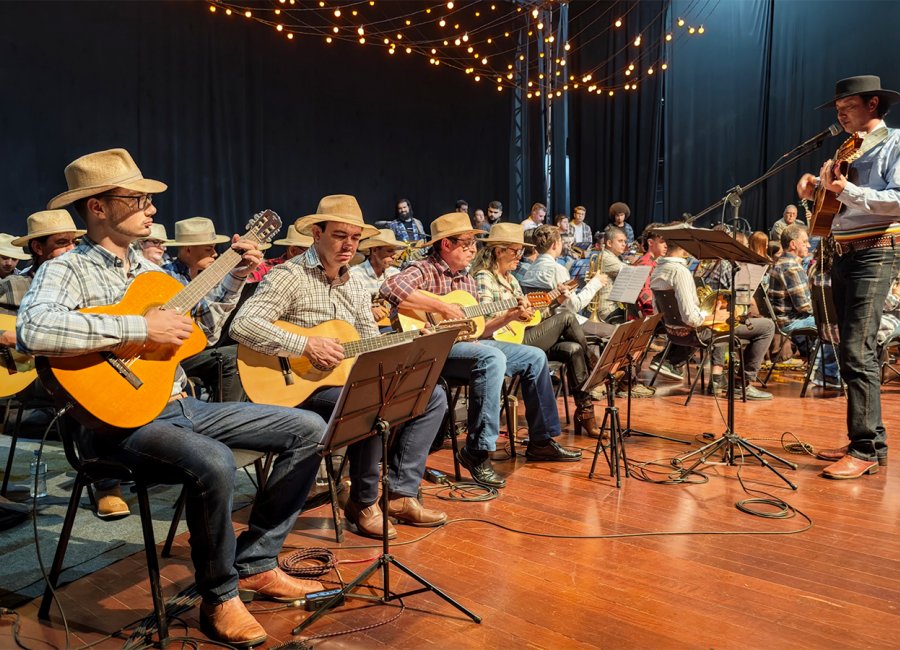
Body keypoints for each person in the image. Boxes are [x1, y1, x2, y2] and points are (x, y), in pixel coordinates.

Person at [19, 148, 325, 647]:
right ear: (97, 207)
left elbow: (200, 333)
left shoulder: (154, 271)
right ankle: (220, 595)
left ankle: (256, 562)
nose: (152, 208)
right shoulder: (67, 269)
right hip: (113, 425)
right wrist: (140, 327)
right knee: (214, 460)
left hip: (180, 404)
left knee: (309, 429)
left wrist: (232, 278)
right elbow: (34, 330)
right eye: (138, 199)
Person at [231, 195, 448, 538]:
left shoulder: (357, 285)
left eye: (355, 237)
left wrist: (408, 343)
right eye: (339, 235)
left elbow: (369, 342)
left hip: (340, 383)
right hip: (292, 389)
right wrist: (305, 345)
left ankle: (400, 494)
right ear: (317, 234)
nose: (349, 245)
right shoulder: (290, 275)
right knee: (370, 399)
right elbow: (242, 325)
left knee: (432, 394)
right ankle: (363, 502)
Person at [380, 212, 581, 488]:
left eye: (473, 244)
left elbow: (481, 330)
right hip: (430, 351)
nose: (473, 250)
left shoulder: (466, 280)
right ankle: (477, 450)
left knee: (534, 356)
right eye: (466, 244)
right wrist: (442, 307)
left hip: (463, 347)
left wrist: (510, 315)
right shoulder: (424, 269)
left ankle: (541, 440)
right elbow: (390, 287)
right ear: (446, 244)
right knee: (491, 356)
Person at [797, 75, 900, 479]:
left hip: (875, 251)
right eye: (838, 109)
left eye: (848, 107)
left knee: (857, 350)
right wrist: (815, 191)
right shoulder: (846, 149)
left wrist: (846, 191)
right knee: (848, 350)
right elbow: (834, 204)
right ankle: (870, 440)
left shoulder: (894, 143)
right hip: (842, 253)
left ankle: (864, 449)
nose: (840, 115)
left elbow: (897, 200)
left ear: (873, 104)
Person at [471, 223, 600, 437]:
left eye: (521, 251)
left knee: (573, 348)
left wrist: (554, 301)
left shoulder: (512, 280)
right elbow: (483, 324)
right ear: (498, 251)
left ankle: (585, 411)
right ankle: (594, 366)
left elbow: (531, 318)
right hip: (503, 344)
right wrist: (512, 315)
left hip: (522, 336)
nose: (520, 256)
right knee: (567, 317)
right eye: (515, 251)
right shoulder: (485, 277)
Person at [649, 237, 775, 399]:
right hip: (695, 333)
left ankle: (718, 378)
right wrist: (714, 317)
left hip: (673, 334)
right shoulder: (680, 271)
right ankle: (741, 384)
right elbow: (692, 319)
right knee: (767, 326)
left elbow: (658, 310)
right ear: (685, 247)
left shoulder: (658, 269)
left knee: (725, 323)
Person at [163, 217, 245, 403]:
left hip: (195, 349)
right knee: (231, 356)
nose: (215, 254)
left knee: (241, 353)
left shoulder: (205, 279)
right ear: (188, 250)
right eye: (209, 249)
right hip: (174, 356)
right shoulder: (165, 277)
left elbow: (209, 333)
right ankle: (226, 414)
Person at [768, 224, 839, 384]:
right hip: (791, 322)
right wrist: (830, 310)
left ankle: (825, 370)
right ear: (793, 244)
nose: (809, 245)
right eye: (805, 241)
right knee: (834, 325)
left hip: (785, 319)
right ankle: (826, 374)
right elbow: (805, 306)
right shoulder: (790, 267)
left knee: (831, 321)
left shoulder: (782, 263)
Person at [350, 228, 404, 325]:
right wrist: (368, 310)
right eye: (389, 251)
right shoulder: (354, 274)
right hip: (364, 326)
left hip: (393, 324)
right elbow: (348, 306)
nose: (394, 255)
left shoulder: (395, 273)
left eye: (394, 251)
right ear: (374, 250)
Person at [248, 228, 312, 283]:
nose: (315, 255)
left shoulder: (313, 270)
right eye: (311, 251)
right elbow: (247, 279)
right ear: (293, 251)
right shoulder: (268, 268)